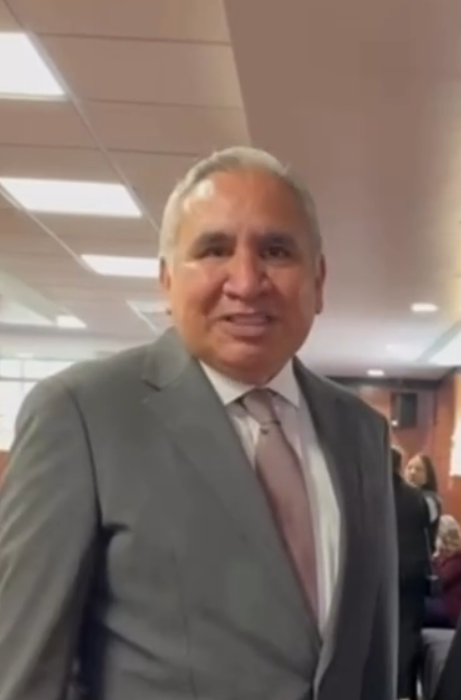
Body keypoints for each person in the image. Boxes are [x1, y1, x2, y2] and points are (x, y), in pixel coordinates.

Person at [0, 147, 397, 700]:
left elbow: (372, 655)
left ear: (319, 279)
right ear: (166, 280)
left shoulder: (360, 431)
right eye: (214, 249)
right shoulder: (80, 416)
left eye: (276, 251)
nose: (247, 281)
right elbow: (23, 673)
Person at [391, 447, 431, 700]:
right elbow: (428, 534)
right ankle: (405, 692)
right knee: (407, 635)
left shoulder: (370, 492)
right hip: (413, 573)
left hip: (382, 575)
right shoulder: (416, 497)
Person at [425, 515, 461, 629]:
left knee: (415, 607)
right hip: (444, 604)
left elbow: (439, 582)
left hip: (450, 610)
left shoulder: (457, 559)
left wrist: (433, 559)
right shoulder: (447, 558)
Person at [405, 453, 442, 549]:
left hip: (420, 553)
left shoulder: (431, 500)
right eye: (409, 468)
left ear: (428, 476)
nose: (412, 472)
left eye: (418, 469)